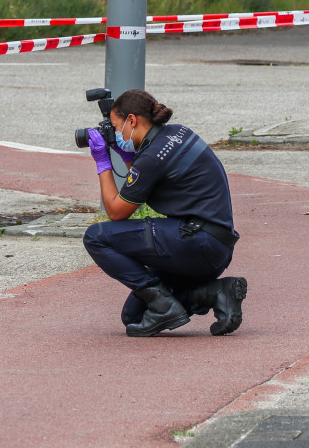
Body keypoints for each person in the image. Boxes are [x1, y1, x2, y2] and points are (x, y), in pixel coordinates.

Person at [82, 89, 247, 337]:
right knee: (133, 317)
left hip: (196, 243)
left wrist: (102, 162)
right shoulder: (177, 133)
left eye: (116, 128)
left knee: (96, 236)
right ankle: (216, 292)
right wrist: (129, 157)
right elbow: (149, 183)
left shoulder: (150, 159)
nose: (115, 134)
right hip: (213, 247)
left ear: (132, 121)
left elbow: (117, 212)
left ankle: (163, 305)